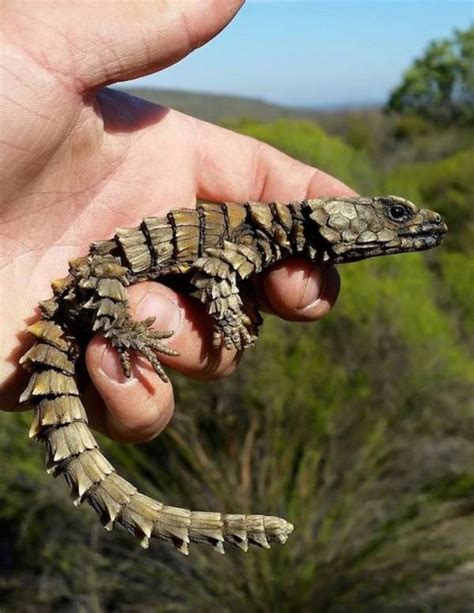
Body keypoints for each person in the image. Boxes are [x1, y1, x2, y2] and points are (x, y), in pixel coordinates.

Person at [0, 1, 355, 443]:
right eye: (393, 216)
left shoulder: (266, 236)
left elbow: (214, 271)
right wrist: (226, 317)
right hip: (97, 284)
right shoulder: (264, 237)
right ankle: (121, 328)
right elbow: (215, 272)